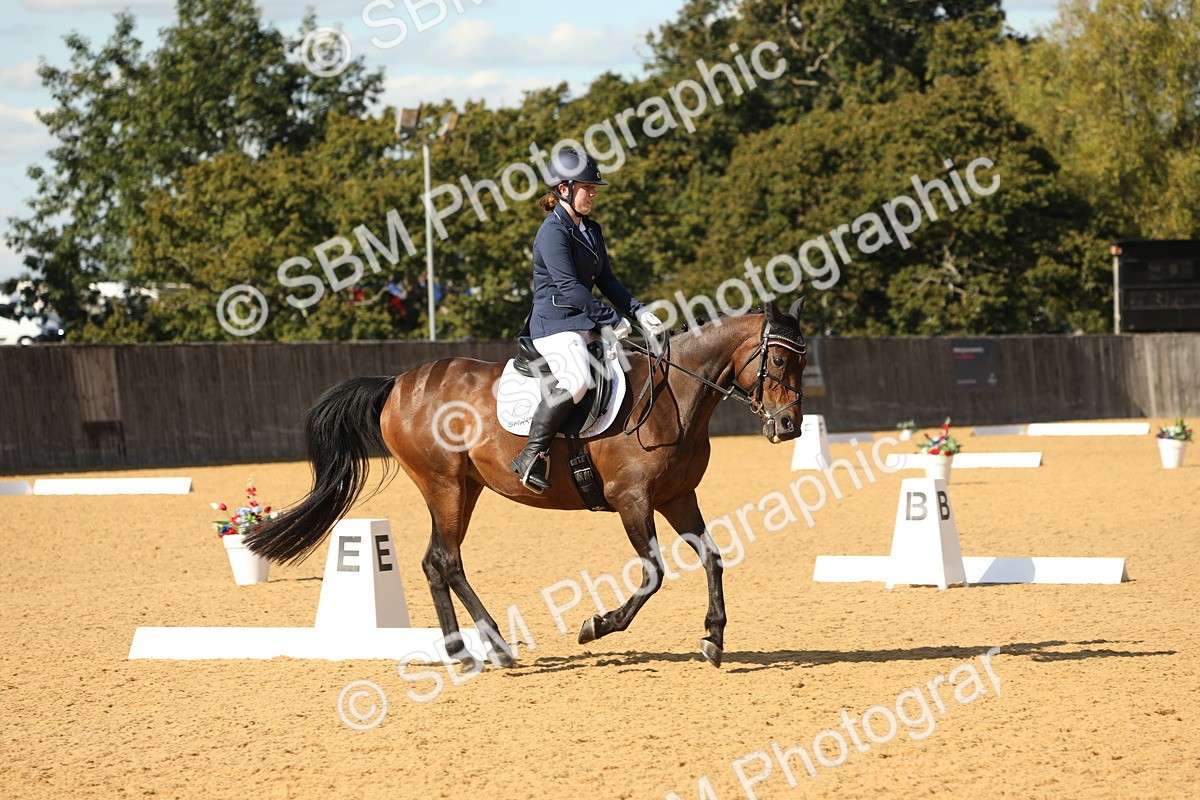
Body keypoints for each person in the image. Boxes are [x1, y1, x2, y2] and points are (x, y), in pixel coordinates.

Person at [509, 148, 664, 493]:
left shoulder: (591, 229)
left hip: (585, 322)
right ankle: (531, 455)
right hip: (555, 324)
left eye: (594, 188)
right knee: (578, 381)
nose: (594, 193)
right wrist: (609, 318)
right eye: (587, 187)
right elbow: (567, 286)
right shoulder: (552, 232)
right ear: (564, 189)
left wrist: (639, 312)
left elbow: (606, 280)